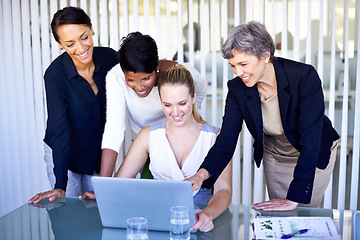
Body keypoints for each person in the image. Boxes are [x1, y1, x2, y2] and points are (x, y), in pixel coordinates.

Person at [187, 21, 339, 211]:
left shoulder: (303, 76)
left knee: (302, 210)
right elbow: (226, 140)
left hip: (313, 150)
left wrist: (295, 197)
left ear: (265, 56)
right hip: (276, 152)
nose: (238, 72)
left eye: (243, 64)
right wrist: (201, 174)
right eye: (233, 65)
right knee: (278, 212)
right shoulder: (237, 89)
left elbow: (311, 138)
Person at [83, 64, 232, 232]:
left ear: (193, 97)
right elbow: (120, 185)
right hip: (157, 223)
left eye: (182, 103)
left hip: (201, 223)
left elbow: (224, 190)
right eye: (167, 105)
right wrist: (103, 195)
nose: (175, 112)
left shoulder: (215, 138)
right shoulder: (148, 135)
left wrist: (207, 215)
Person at [28, 6, 118, 204]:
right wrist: (60, 185)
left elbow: (138, 71)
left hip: (96, 150)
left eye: (84, 37)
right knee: (69, 211)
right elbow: (60, 131)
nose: (80, 48)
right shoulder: (55, 76)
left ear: (91, 29)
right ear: (60, 44)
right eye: (70, 44)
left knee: (99, 210)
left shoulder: (110, 58)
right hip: (64, 153)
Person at [100, 32, 207, 177]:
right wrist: (103, 183)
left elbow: (199, 93)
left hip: (179, 140)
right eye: (131, 80)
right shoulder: (116, 77)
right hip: (142, 145)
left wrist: (180, 118)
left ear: (156, 65)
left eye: (146, 78)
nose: (139, 87)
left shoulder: (183, 75)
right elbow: (114, 128)